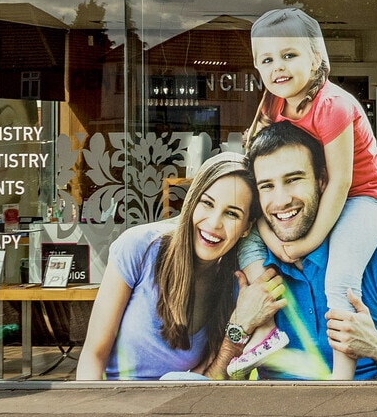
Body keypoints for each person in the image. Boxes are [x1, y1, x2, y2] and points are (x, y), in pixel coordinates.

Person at [234, 7, 377, 380]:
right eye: (267, 60)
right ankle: (263, 333)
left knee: (340, 279)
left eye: (289, 55)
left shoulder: (333, 105)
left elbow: (338, 182)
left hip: (365, 196)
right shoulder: (274, 101)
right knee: (247, 241)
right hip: (325, 192)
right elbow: (257, 155)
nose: (278, 68)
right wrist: (270, 234)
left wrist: (305, 244)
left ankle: (343, 375)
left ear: (316, 56)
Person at [77, 155, 271, 381]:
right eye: (207, 203)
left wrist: (239, 325)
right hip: (115, 403)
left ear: (247, 227)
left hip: (174, 405)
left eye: (232, 213)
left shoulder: (233, 283)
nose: (214, 223)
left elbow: (209, 377)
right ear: (192, 202)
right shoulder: (139, 248)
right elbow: (93, 355)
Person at [242, 120, 377, 380]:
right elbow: (213, 380)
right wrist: (239, 326)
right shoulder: (250, 270)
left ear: (322, 181)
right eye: (267, 186)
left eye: (293, 179)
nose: (281, 200)